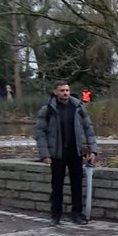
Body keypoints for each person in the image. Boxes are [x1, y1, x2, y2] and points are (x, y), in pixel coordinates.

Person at [34, 80, 98, 226]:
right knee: (57, 186)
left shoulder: (78, 107)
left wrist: (93, 150)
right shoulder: (48, 109)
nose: (65, 93)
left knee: (77, 184)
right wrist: (45, 154)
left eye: (67, 90)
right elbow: (40, 133)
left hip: (76, 152)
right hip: (57, 153)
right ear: (55, 92)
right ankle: (55, 215)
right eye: (62, 90)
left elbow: (88, 129)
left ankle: (77, 214)